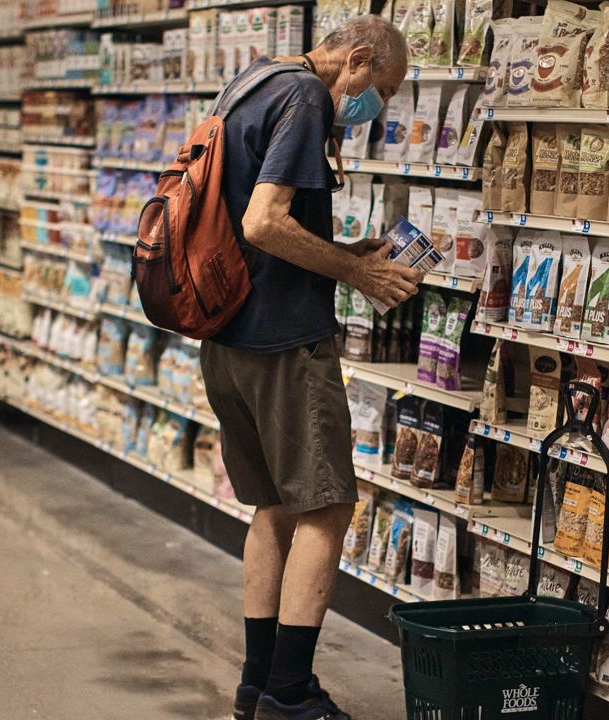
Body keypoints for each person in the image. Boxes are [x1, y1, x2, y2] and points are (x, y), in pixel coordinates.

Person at [198, 15, 418, 720]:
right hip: (283, 342)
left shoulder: (252, 80)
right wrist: (355, 275)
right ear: (355, 60)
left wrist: (344, 248)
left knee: (272, 507)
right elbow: (264, 223)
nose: (372, 108)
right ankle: (290, 692)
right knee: (326, 507)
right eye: (379, 89)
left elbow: (248, 217)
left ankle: (256, 685)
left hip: (227, 335)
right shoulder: (304, 97)